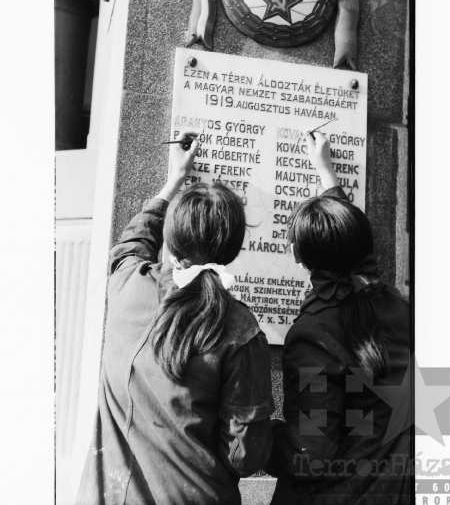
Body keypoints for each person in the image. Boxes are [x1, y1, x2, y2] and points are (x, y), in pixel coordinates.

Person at [76, 132, 275, 505]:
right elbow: (244, 456)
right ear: (232, 248)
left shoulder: (127, 285)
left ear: (171, 234)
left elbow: (130, 244)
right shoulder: (240, 331)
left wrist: (174, 181)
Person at [266, 130, 411, 504]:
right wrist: (327, 174)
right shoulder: (393, 302)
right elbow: (353, 246)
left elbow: (308, 453)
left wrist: (258, 435)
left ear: (297, 255)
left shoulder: (315, 334)